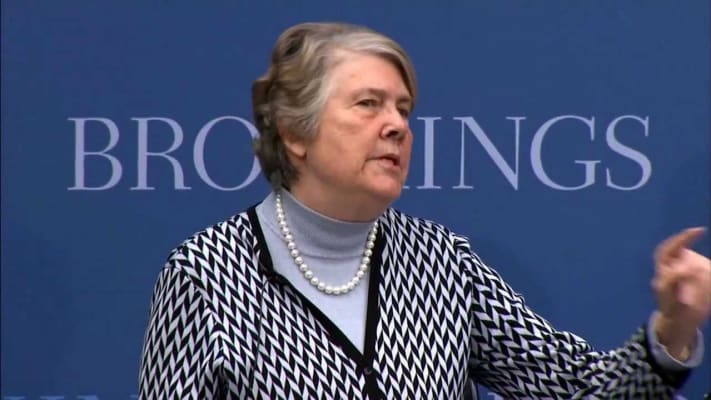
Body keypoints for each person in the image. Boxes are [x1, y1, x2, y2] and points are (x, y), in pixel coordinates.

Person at [138, 22, 710, 399]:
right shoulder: (205, 275)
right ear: (294, 132)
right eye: (368, 104)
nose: (396, 125)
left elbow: (580, 392)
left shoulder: (440, 262)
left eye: (404, 109)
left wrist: (673, 327)